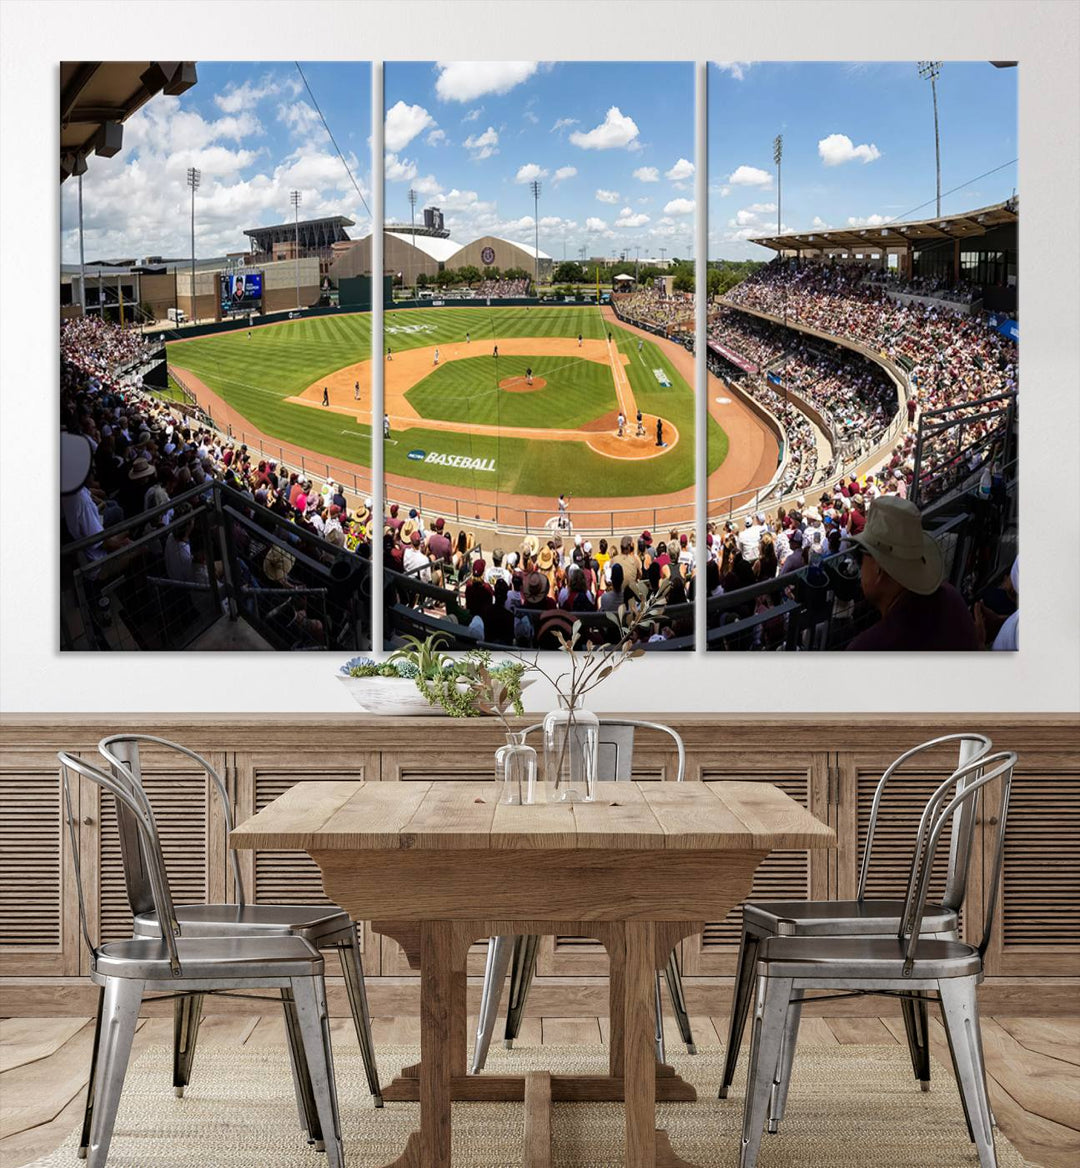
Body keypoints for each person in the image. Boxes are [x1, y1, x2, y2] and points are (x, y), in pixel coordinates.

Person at [847, 497, 979, 651]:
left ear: (878, 567)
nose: (860, 565)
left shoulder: (867, 649)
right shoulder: (952, 598)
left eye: (860, 555)